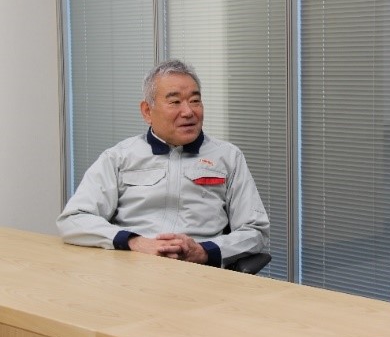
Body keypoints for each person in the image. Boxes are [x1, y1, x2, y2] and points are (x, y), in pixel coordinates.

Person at [57, 59, 270, 268]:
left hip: (199, 273)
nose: (188, 112)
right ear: (147, 111)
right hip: (131, 271)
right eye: (175, 102)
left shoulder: (228, 157)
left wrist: (205, 251)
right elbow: (74, 220)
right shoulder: (119, 157)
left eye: (195, 100)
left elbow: (255, 231)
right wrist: (134, 242)